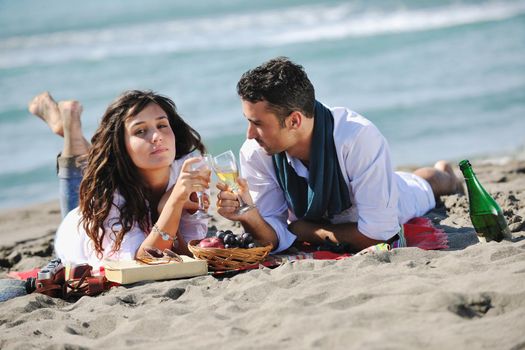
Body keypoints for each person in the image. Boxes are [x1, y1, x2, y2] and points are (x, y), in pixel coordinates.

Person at [216, 57, 464, 253]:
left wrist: (305, 231)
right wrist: (249, 213)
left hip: (394, 199)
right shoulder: (256, 152)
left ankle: (446, 173)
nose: (249, 134)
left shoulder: (358, 138)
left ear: (294, 120)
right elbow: (272, 235)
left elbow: (379, 235)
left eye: (257, 123)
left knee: (426, 183)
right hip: (342, 210)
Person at [28, 90, 211, 269]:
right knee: (93, 178)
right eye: (140, 131)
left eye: (162, 125)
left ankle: (68, 129)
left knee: (99, 165)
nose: (157, 137)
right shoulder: (108, 197)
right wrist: (174, 201)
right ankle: (69, 130)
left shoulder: (188, 170)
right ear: (121, 145)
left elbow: (188, 250)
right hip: (77, 236)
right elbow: (145, 260)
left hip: (114, 177)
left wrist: (166, 207)